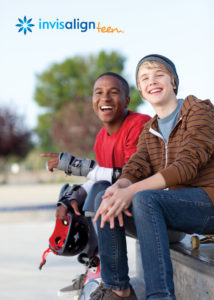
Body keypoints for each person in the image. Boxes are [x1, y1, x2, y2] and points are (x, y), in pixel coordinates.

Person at [93, 54, 214, 300]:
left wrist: (131, 191)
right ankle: (118, 290)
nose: (152, 81)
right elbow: (135, 168)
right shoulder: (150, 130)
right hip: (180, 211)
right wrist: (121, 188)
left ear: (173, 82)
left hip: (208, 205)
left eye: (159, 75)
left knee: (145, 198)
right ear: (141, 91)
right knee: (104, 196)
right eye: (145, 78)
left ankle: (160, 296)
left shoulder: (198, 110)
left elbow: (187, 165)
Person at [41, 72, 151, 296]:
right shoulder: (101, 136)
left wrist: (79, 165)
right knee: (74, 196)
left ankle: (115, 284)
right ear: (93, 101)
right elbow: (101, 176)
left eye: (113, 92)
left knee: (100, 192)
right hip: (126, 212)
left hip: (154, 216)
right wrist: (72, 197)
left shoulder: (139, 124)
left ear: (127, 100)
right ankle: (95, 266)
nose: (105, 98)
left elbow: (133, 176)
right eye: (99, 93)